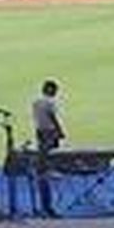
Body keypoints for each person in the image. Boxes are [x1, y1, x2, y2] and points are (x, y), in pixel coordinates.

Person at [31, 80, 65, 217]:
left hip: (39, 129)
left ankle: (45, 168)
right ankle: (48, 169)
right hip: (49, 130)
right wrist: (60, 130)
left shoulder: (36, 101)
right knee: (51, 151)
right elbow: (53, 116)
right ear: (50, 90)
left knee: (43, 149)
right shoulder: (50, 102)